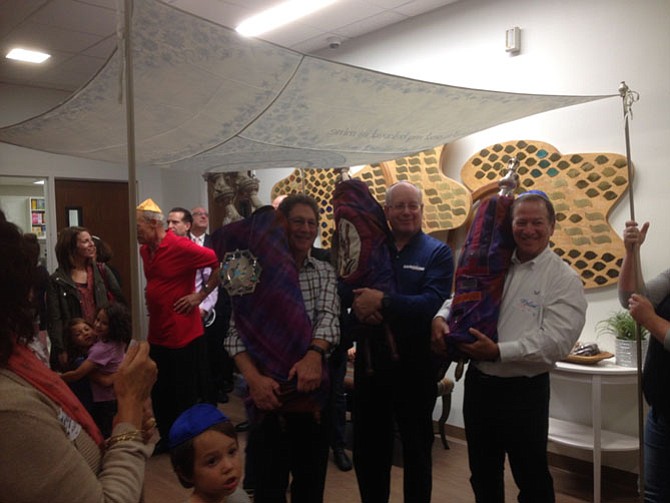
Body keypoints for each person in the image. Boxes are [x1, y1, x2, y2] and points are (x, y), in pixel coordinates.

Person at [432, 191, 587, 502]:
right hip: (480, 386)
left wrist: (500, 351)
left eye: (537, 222)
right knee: (483, 475)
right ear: (510, 225)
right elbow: (464, 294)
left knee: (532, 478)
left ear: (552, 226)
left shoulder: (564, 279)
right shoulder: (495, 261)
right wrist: (441, 315)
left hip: (524, 394)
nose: (528, 230)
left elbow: (556, 342)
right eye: (521, 222)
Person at [0, 212, 159, 502]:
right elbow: (57, 317)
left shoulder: (100, 271)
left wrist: (114, 444)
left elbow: (57, 449)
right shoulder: (11, 409)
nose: (30, 296)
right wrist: (129, 414)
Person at [223, 194, 340, 503]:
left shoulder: (324, 270)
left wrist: (314, 357)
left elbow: (329, 317)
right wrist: (254, 379)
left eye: (312, 223)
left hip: (310, 396)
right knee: (268, 489)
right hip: (267, 397)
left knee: (310, 487)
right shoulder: (245, 268)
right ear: (281, 225)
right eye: (297, 221)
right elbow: (233, 334)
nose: (305, 229)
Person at [345, 180, 454, 503]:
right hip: (370, 367)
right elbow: (349, 293)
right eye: (399, 206)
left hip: (416, 369)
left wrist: (384, 302)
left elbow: (431, 303)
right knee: (369, 451)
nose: (407, 212)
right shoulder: (372, 251)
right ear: (387, 211)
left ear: (421, 210)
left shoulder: (438, 253)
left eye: (413, 205)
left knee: (417, 451)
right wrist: (361, 310)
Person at [136, 198, 221, 454]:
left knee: (183, 391)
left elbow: (218, 264)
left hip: (182, 332)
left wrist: (200, 295)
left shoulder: (181, 246)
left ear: (153, 224)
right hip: (158, 331)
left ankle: (186, 441)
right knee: (160, 389)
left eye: (139, 227)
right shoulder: (145, 251)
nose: (136, 233)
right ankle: (168, 436)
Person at [619, 220, 670, 502]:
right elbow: (632, 299)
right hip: (662, 412)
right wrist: (631, 252)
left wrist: (651, 320)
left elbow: (646, 313)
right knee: (654, 495)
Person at [47, 226, 125, 370]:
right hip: (74, 346)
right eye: (85, 241)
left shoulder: (102, 270)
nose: (92, 244)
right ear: (72, 248)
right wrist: (60, 349)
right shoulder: (57, 280)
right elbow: (54, 319)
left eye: (91, 240)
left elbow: (120, 304)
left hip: (101, 341)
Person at [61, 304, 132, 437]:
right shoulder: (113, 342)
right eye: (97, 320)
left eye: (87, 329)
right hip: (110, 396)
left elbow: (83, 375)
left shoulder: (100, 348)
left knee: (105, 433)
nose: (98, 325)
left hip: (105, 400)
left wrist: (56, 377)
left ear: (114, 326)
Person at [190, 205, 235, 405]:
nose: (204, 216)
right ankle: (197, 388)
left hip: (217, 303)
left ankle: (216, 387)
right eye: (199, 214)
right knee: (194, 349)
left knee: (216, 347)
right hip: (190, 303)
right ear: (190, 220)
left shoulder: (214, 242)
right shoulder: (183, 243)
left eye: (206, 214)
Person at [169, 403, 251, 503]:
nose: (229, 466)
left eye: (231, 452)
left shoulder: (238, 497)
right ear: (186, 474)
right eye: (212, 461)